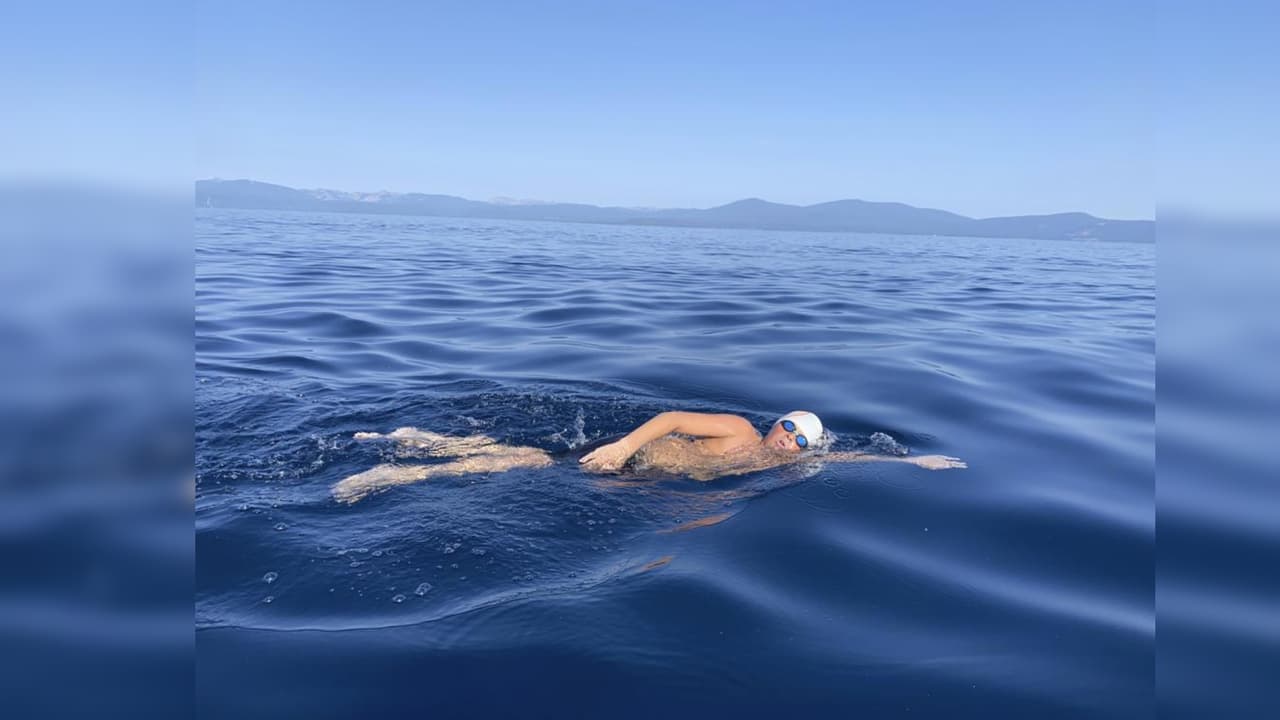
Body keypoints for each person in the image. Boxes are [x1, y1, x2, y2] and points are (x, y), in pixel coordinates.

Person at [331, 410, 964, 504]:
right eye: (789, 429)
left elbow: (849, 461)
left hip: (638, 478)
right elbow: (671, 419)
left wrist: (913, 464)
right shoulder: (739, 431)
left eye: (802, 441)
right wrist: (622, 446)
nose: (789, 441)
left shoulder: (781, 466)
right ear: (776, 423)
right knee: (524, 460)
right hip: (624, 458)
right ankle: (404, 467)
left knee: (522, 455)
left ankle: (415, 440)